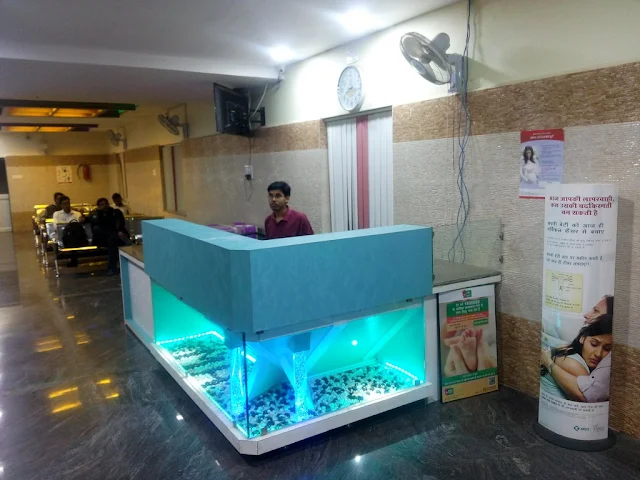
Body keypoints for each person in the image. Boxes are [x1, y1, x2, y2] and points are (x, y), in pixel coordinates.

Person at [540, 313, 613, 402]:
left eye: (607, 349)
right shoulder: (574, 365)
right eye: (594, 344)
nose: (598, 354)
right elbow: (586, 398)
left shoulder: (570, 350)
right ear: (582, 338)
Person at [88, 197, 130, 276]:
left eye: (105, 204)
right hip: (106, 238)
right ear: (98, 206)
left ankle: (112, 268)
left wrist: (119, 231)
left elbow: (120, 223)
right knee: (105, 235)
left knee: (111, 241)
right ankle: (112, 268)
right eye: (102, 205)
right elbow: (89, 219)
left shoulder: (115, 212)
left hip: (117, 236)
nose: (104, 206)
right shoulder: (96, 214)